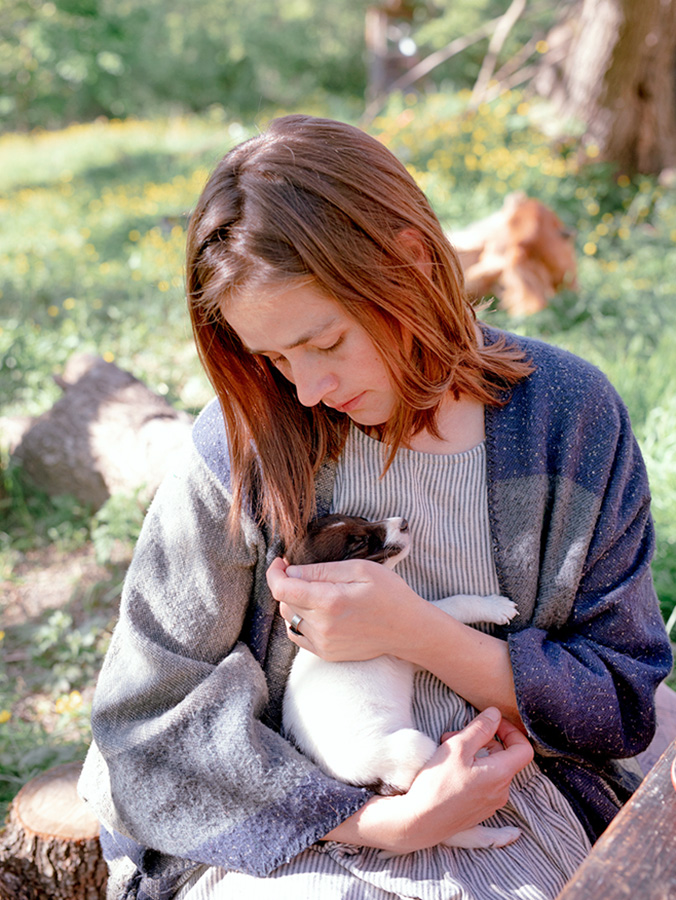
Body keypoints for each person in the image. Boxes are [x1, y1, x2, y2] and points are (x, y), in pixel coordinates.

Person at [78, 114, 673, 900]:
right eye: (275, 357)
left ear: (409, 262)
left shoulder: (568, 417)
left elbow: (621, 702)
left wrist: (415, 632)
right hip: (298, 828)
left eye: (324, 342)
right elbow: (144, 721)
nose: (306, 388)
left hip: (524, 811)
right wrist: (373, 824)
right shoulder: (243, 445)